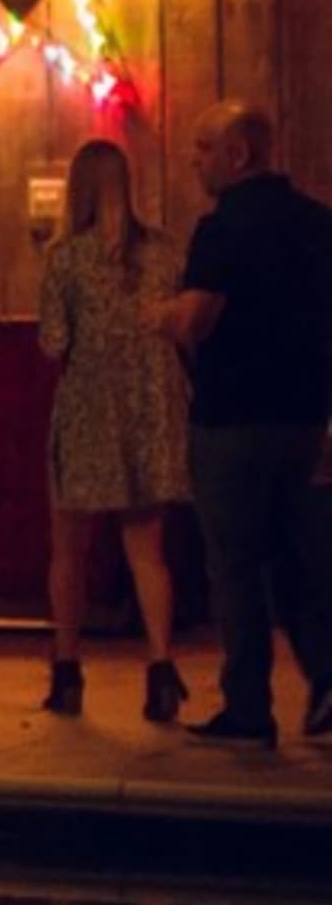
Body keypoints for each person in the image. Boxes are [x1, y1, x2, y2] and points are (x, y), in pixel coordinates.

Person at [148, 101, 332, 744]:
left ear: (239, 154)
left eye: (203, 148)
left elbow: (197, 318)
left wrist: (162, 315)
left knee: (235, 564)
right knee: (300, 556)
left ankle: (249, 706)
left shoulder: (223, 228)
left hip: (232, 418)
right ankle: (326, 679)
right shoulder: (318, 223)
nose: (193, 160)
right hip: (304, 416)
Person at [34, 139, 189, 722]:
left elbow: (53, 343)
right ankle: (161, 668)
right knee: (147, 552)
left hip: (88, 412)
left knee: (68, 550)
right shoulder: (164, 251)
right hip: (149, 413)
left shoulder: (66, 258)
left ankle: (67, 671)